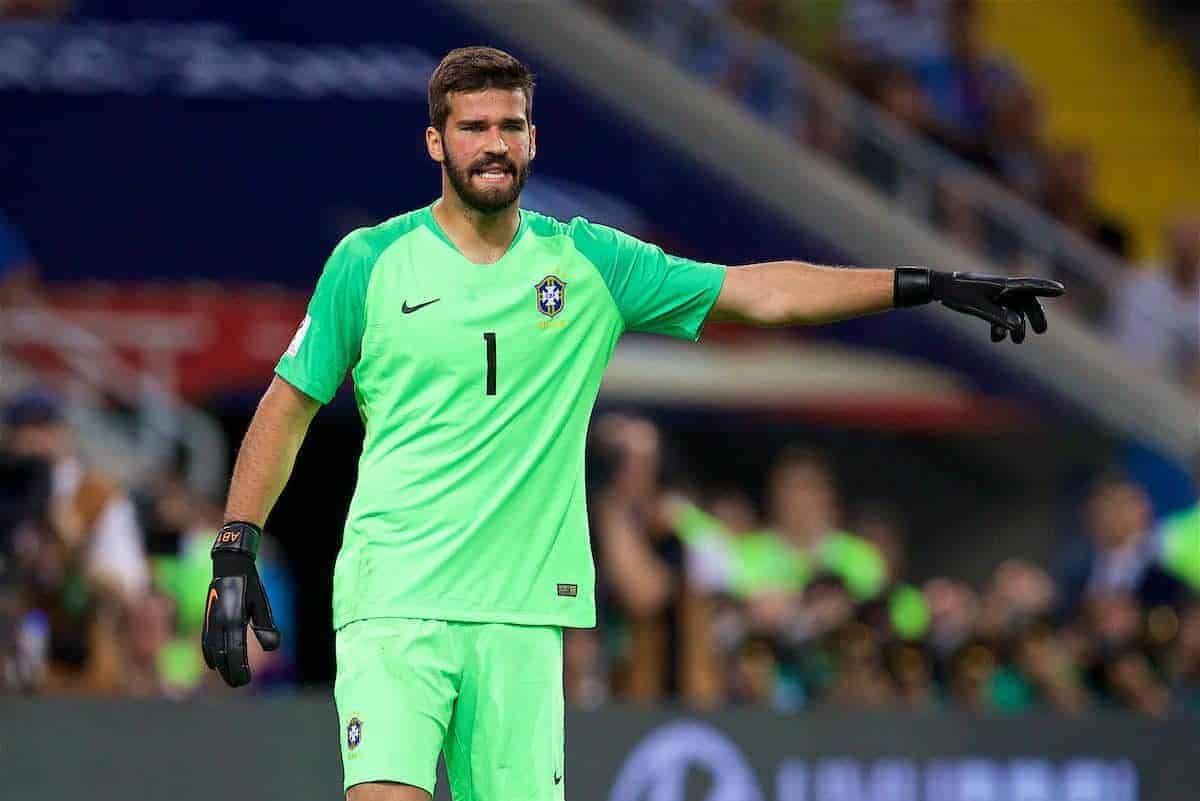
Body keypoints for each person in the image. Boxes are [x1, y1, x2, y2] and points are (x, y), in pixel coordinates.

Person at [198, 46, 1063, 801]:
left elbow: (758, 292)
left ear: (533, 139)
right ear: (437, 143)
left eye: (510, 125)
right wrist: (235, 546)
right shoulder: (369, 261)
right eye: (472, 127)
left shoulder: (589, 264)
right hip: (394, 597)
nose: (494, 144)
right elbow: (290, 403)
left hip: (522, 614)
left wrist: (922, 282)